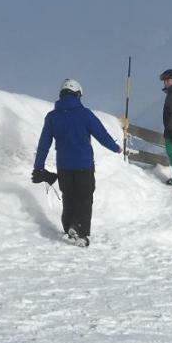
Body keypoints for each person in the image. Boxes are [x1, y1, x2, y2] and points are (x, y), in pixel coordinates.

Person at [33, 78, 122, 247]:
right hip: (83, 165)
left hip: (63, 167)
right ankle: (79, 229)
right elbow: (101, 135)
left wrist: (38, 166)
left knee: (69, 197)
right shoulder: (85, 114)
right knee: (84, 197)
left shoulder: (52, 117)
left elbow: (43, 144)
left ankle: (68, 228)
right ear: (78, 95)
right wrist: (116, 148)